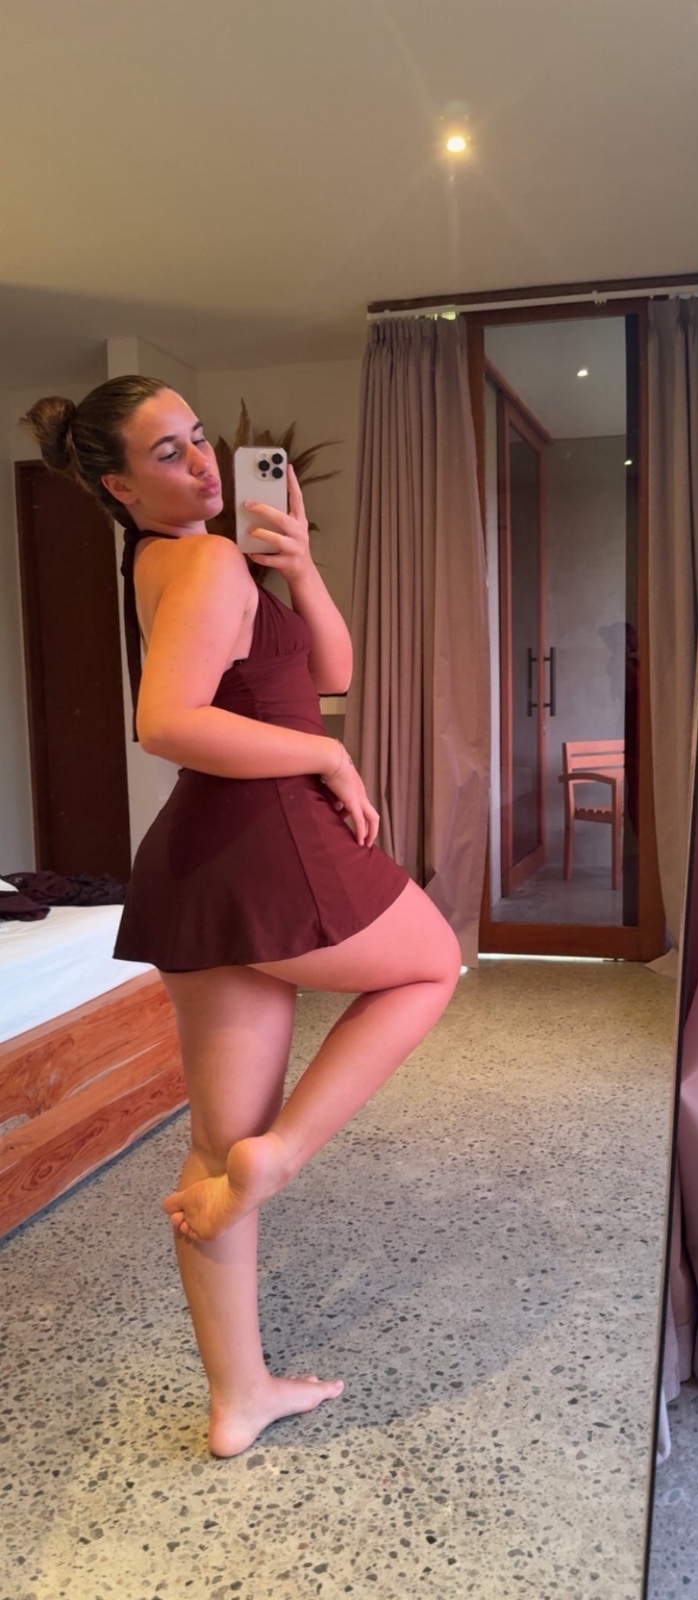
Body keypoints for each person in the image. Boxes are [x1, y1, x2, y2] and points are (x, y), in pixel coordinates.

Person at [24, 377, 461, 1458]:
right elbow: (166, 721)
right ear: (121, 487)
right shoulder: (206, 562)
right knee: (429, 964)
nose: (203, 463)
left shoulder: (179, 561)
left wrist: (300, 567)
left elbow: (333, 672)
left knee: (215, 1151)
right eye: (168, 453)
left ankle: (240, 1397)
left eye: (199, 438)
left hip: (201, 862)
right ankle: (286, 1153)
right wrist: (326, 757)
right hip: (270, 836)